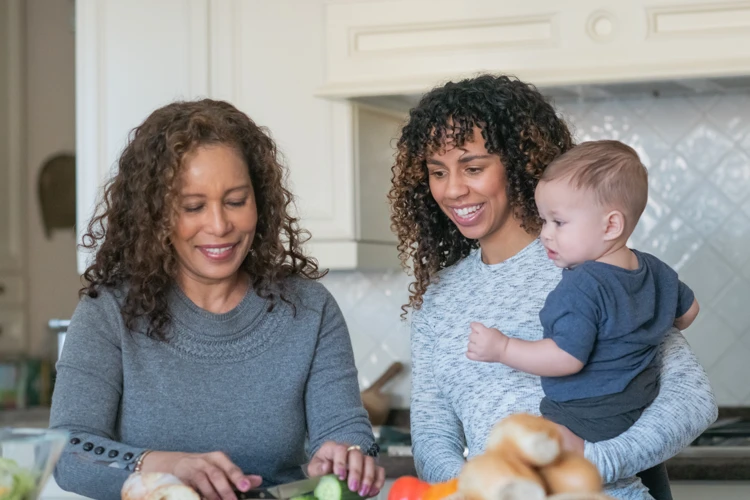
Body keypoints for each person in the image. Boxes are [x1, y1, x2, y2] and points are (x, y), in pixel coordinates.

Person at [388, 74, 717, 500]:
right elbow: (433, 431)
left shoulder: (597, 266)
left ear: (520, 162)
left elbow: (691, 400)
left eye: (473, 167)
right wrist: (472, 490)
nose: (452, 189)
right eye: (437, 171)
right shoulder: (440, 298)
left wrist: (586, 466)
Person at [50, 99, 385, 500]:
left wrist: (345, 456)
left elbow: (347, 433)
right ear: (155, 214)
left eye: (235, 201)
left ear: (259, 201)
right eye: (193, 206)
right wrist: (164, 465)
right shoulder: (108, 312)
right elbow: (68, 452)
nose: (219, 225)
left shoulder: (309, 309)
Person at [467, 140, 700, 444]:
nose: (545, 234)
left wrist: (503, 348)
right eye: (544, 221)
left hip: (582, 418)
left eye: (559, 222)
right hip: (637, 407)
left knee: (518, 453)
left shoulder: (582, 285)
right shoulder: (654, 268)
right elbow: (689, 311)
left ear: (611, 225)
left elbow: (566, 358)